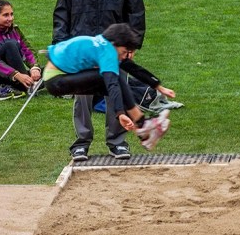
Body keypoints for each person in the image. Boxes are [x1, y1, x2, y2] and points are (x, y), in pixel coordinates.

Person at [52, 0, 146, 159]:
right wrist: (61, 42)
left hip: (113, 47)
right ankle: (82, 141)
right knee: (81, 95)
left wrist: (132, 43)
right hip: (82, 46)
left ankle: (117, 141)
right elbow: (62, 9)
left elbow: (136, 9)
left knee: (115, 90)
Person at [44, 24, 173, 161]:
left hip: (59, 77)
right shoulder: (107, 51)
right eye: (124, 52)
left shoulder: (104, 45)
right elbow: (112, 85)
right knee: (114, 78)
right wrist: (120, 113)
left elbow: (132, 67)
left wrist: (158, 86)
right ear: (115, 44)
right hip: (56, 80)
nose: (125, 56)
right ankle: (143, 124)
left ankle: (144, 134)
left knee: (117, 75)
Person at [0, 0, 41, 100]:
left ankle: (30, 83)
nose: (10, 18)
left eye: (11, 14)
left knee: (50, 71)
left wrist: (34, 68)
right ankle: (27, 85)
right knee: (9, 45)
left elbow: (27, 49)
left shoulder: (14, 29)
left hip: (12, 74)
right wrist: (17, 75)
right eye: (6, 15)